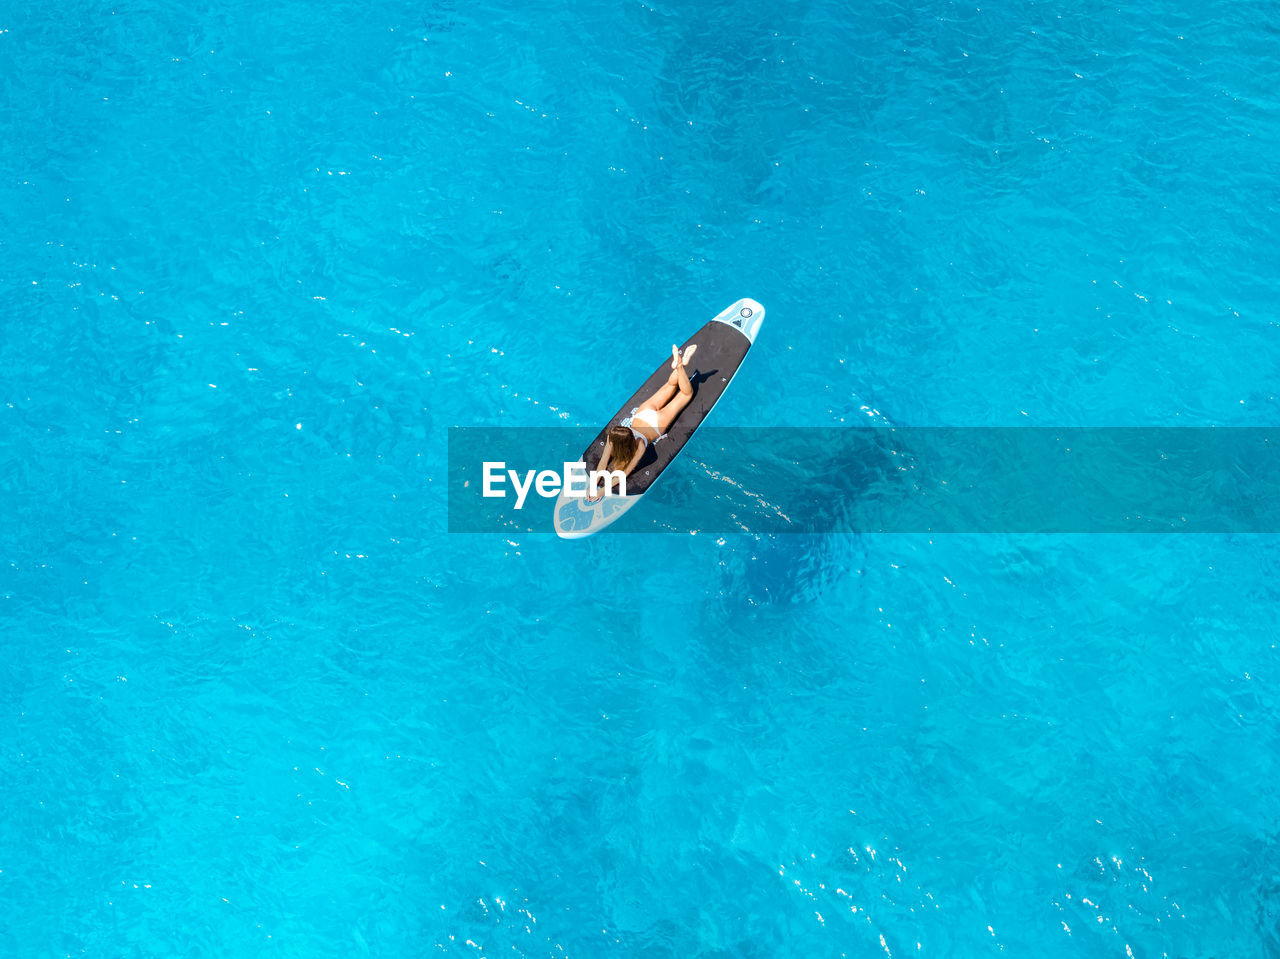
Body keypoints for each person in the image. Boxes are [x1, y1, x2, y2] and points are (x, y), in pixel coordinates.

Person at [587, 343, 697, 501]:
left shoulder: (636, 445)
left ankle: (680, 365)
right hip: (641, 415)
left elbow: (620, 471)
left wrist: (599, 488)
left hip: (655, 423)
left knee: (686, 394)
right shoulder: (626, 437)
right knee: (671, 385)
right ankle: (679, 365)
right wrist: (595, 487)